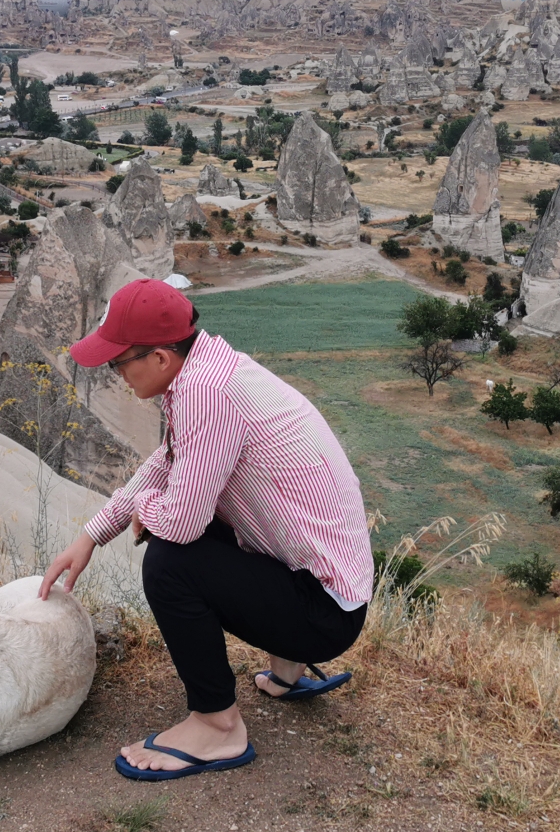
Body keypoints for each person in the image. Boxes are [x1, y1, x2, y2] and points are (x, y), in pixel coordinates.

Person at [40, 277, 373, 781]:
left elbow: (181, 521)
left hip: (324, 613)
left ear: (159, 358)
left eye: (119, 362)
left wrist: (146, 510)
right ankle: (287, 668)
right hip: (328, 590)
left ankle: (218, 726)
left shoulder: (206, 393)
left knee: (170, 560)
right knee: (197, 520)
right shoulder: (210, 370)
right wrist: (92, 534)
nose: (115, 374)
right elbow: (169, 460)